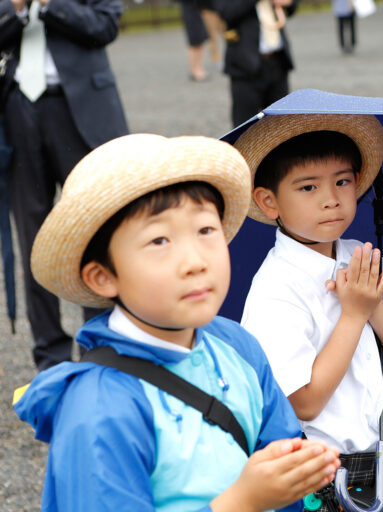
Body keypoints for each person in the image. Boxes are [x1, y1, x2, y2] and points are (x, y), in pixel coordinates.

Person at [12, 133, 341, 511]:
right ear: (103, 276)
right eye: (159, 241)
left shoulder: (236, 345)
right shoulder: (100, 406)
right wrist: (242, 502)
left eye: (205, 231)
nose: (195, 261)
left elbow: (285, 467)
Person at [233, 114, 383, 511]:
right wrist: (354, 314)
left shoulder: (362, 257)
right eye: (307, 187)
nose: (331, 198)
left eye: (342, 181)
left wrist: (372, 305)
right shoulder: (276, 288)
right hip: (322, 473)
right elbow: (303, 401)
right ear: (269, 202)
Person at [0, 0, 129, 371]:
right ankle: (50, 358)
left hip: (83, 112)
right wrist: (18, 8)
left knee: (93, 232)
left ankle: (100, 351)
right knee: (33, 237)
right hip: (17, 110)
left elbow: (105, 26)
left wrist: (50, 4)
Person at [214, 0, 298, 127]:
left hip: (278, 60)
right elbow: (226, 12)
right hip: (244, 65)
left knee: (281, 126)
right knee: (244, 128)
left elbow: (291, 9)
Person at [176, 0, 210, 81]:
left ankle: (199, 67)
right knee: (194, 42)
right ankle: (195, 70)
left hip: (197, 12)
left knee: (199, 42)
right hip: (191, 13)